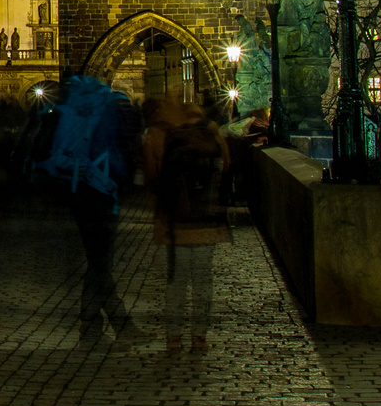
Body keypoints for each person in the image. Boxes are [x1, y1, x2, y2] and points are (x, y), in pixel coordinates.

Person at [31, 75, 144, 347]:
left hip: (75, 187)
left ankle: (94, 330)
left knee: (97, 261)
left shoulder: (77, 109)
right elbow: (114, 158)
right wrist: (126, 182)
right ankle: (116, 327)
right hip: (99, 191)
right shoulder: (108, 111)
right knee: (100, 263)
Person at [145, 99, 231, 353]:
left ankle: (173, 337)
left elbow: (152, 175)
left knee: (177, 279)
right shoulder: (212, 131)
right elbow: (226, 167)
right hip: (207, 220)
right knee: (203, 279)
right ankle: (199, 337)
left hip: (174, 222)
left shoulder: (159, 133)